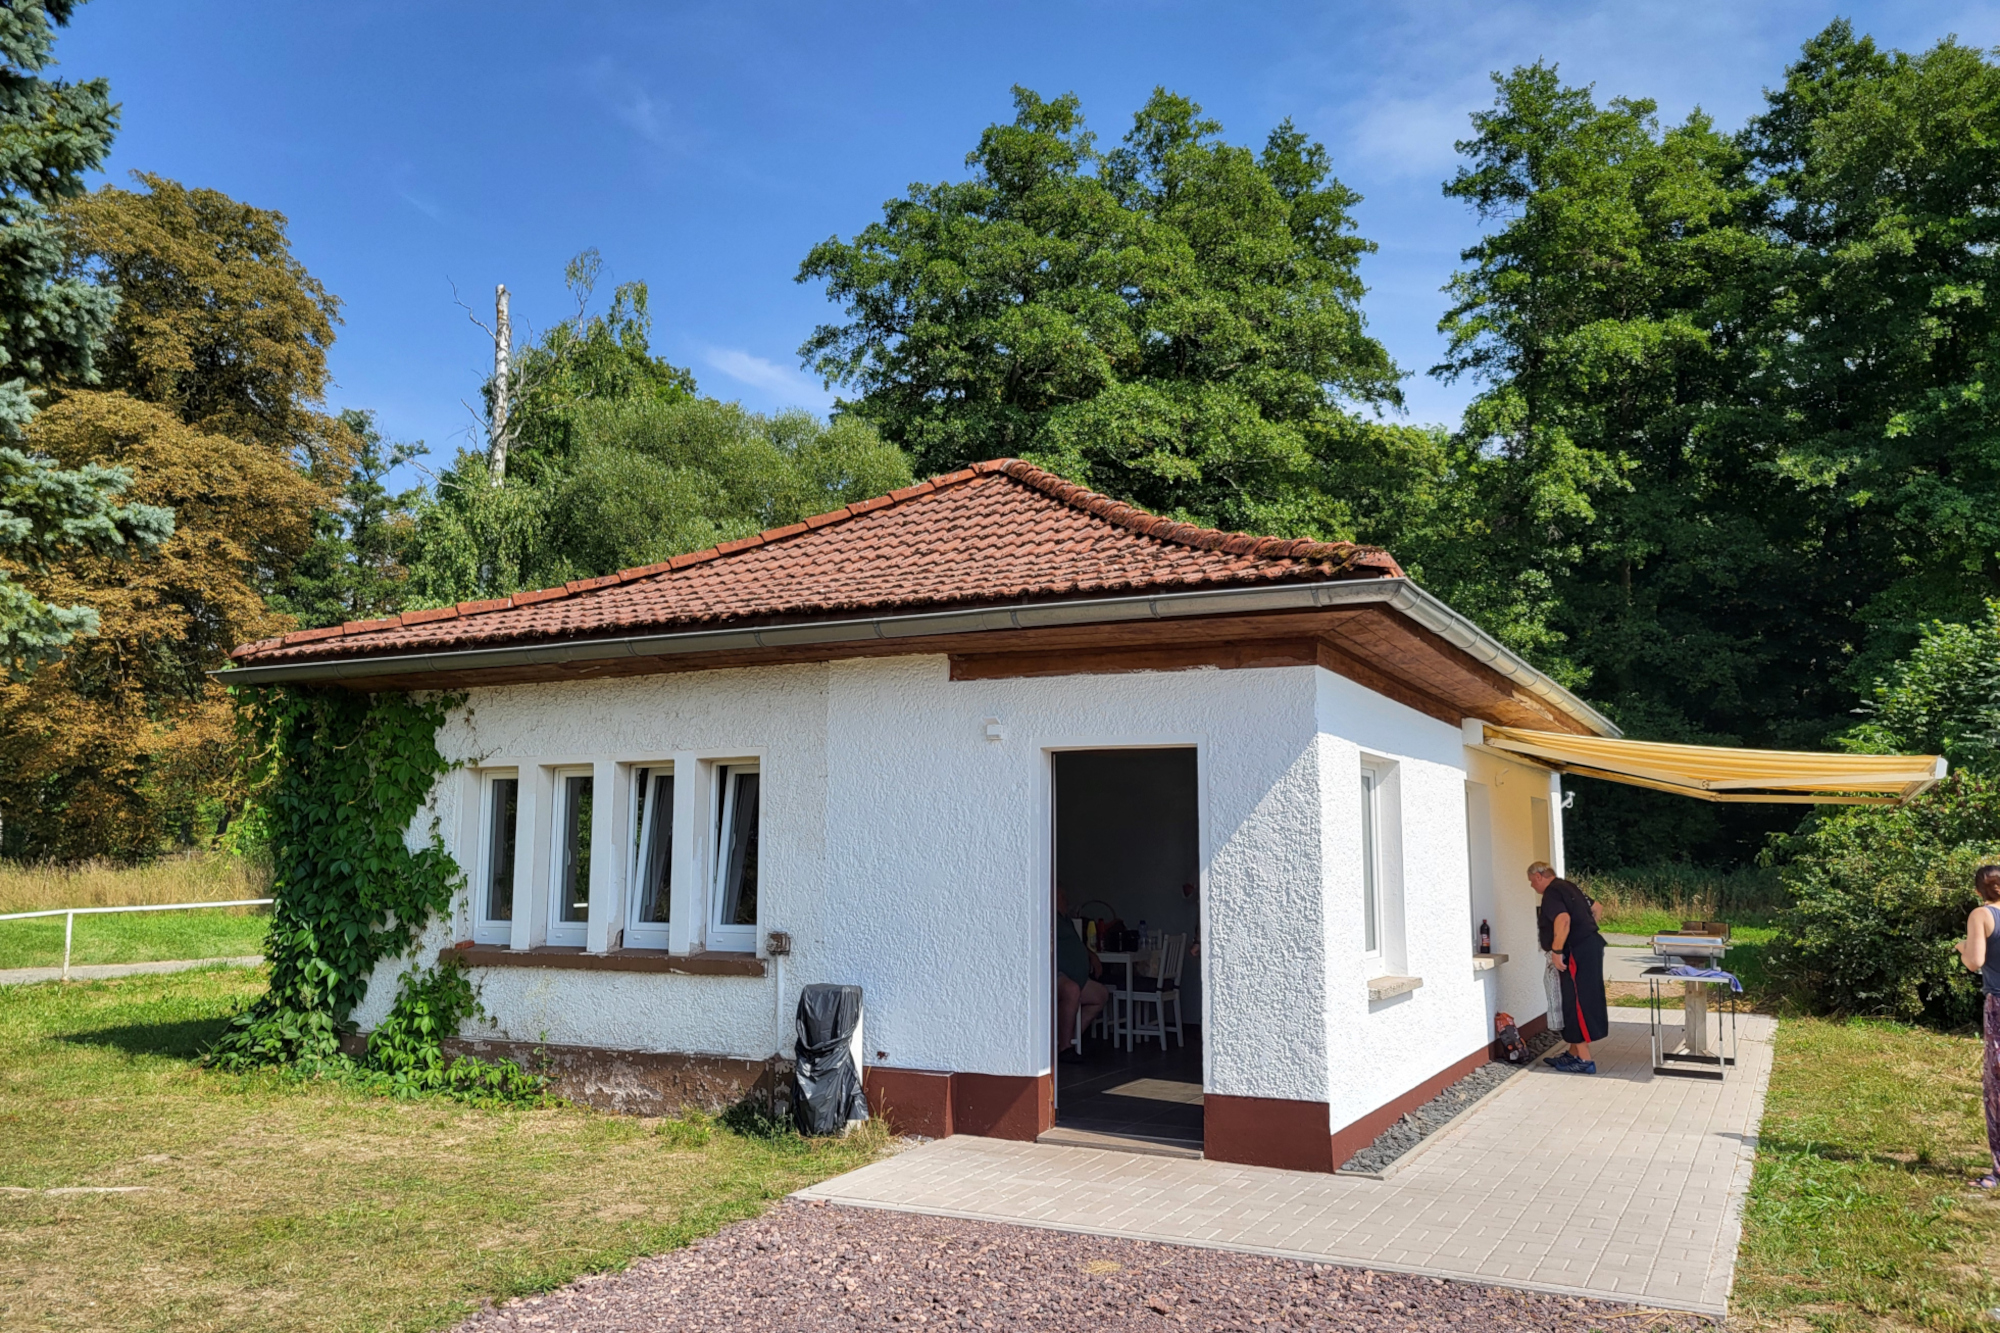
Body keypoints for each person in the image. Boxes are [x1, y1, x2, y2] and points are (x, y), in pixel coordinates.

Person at [1530, 860, 1607, 1073]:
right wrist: (1585, 929)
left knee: (1574, 1001)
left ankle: (1584, 1060)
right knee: (1583, 997)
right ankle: (1573, 1052)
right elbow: (1597, 907)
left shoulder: (1552, 892)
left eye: (1531, 881)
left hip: (1576, 951)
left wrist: (1557, 950)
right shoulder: (1569, 886)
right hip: (1591, 945)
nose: (1531, 887)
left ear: (1538, 876)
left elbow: (1563, 920)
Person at [1954, 864, 2000, 1189]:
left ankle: (1998, 1172)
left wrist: (1961, 948)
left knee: (1996, 1088)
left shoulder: (1981, 915)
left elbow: (1975, 962)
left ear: (1977, 891)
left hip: (1998, 1004)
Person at [1055, 888, 1110, 1056]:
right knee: (1071, 990)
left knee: (1100, 995)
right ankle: (1065, 1047)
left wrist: (1092, 955)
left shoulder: (1066, 920)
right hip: (1056, 975)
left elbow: (1076, 943)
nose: (1066, 899)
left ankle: (1069, 1038)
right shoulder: (1046, 917)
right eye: (1061, 896)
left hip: (1077, 976)